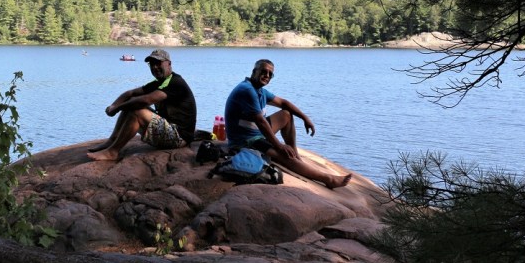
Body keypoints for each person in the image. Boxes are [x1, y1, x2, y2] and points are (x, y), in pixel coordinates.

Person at [224, 59, 352, 189]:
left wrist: (305, 118)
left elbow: (284, 103)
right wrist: (279, 146)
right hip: (245, 140)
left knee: (286, 114)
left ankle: (295, 156)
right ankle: (328, 179)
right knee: (284, 154)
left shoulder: (260, 90)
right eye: (263, 71)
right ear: (254, 72)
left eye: (270, 74)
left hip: (255, 131)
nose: (267, 75)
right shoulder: (247, 90)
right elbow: (261, 122)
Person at [87, 49, 197, 161]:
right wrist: (113, 105)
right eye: (152, 64)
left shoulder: (175, 82)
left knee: (137, 110)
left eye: (158, 63)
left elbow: (145, 100)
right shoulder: (159, 82)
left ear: (169, 63)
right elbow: (131, 93)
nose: (155, 67)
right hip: (168, 129)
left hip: (179, 137)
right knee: (131, 103)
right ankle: (112, 140)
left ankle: (112, 152)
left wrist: (117, 108)